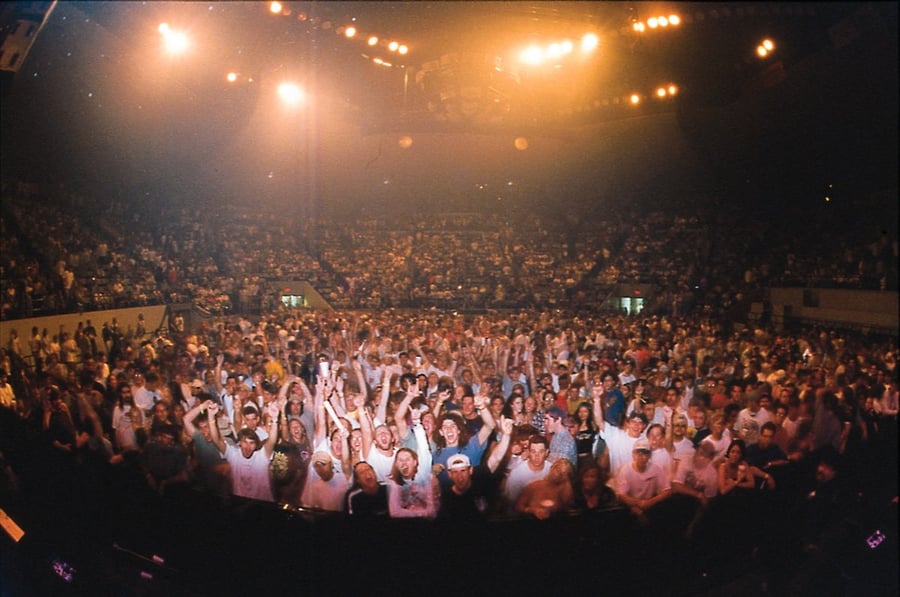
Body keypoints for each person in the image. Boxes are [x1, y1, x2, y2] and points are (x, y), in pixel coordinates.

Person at [207, 401, 279, 502]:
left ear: (256, 445)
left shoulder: (262, 456)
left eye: (251, 443)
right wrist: (211, 416)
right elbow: (216, 440)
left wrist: (275, 419)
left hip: (263, 504)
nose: (248, 446)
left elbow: (272, 440)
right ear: (239, 443)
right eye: (245, 442)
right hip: (240, 504)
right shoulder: (233, 454)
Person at [614, 438, 672, 524]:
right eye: (638, 453)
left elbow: (667, 490)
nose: (641, 456)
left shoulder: (656, 468)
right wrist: (638, 505)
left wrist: (650, 502)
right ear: (633, 454)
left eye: (645, 453)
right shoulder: (625, 470)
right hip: (629, 507)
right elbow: (621, 495)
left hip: (650, 505)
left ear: (649, 456)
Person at [503, 434, 551, 507]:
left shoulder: (552, 470)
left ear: (546, 452)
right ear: (528, 452)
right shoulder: (516, 474)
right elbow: (511, 503)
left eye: (541, 452)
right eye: (533, 451)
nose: (537, 456)